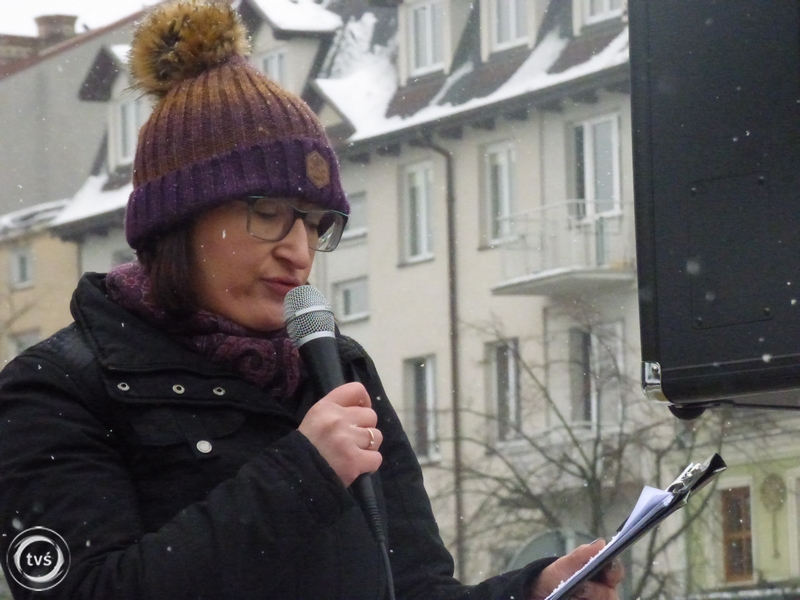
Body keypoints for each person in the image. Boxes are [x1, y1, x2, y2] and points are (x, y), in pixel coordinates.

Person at [0, 2, 624, 599]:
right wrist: (303, 473)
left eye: (316, 223)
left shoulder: (332, 370)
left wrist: (531, 591)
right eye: (269, 213)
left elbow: (410, 588)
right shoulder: (56, 390)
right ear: (178, 221)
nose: (299, 251)